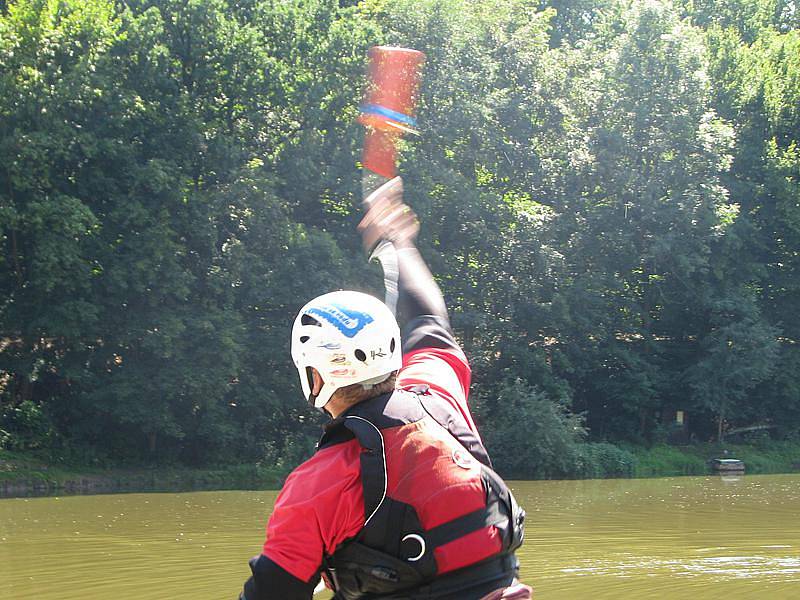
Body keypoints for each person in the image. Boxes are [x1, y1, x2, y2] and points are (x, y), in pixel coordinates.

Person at [240, 177, 532, 600]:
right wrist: (398, 240)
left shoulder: (319, 484)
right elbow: (428, 320)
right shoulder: (437, 391)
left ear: (315, 377)